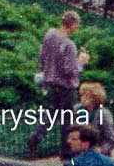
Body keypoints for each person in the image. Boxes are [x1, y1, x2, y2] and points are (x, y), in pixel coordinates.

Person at [25, 10, 86, 155]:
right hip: (66, 88)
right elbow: (70, 70)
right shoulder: (69, 45)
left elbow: (42, 57)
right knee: (67, 120)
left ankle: (36, 136)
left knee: (52, 114)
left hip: (51, 83)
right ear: (73, 24)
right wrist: (81, 62)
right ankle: (66, 151)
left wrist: (46, 73)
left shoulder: (50, 35)